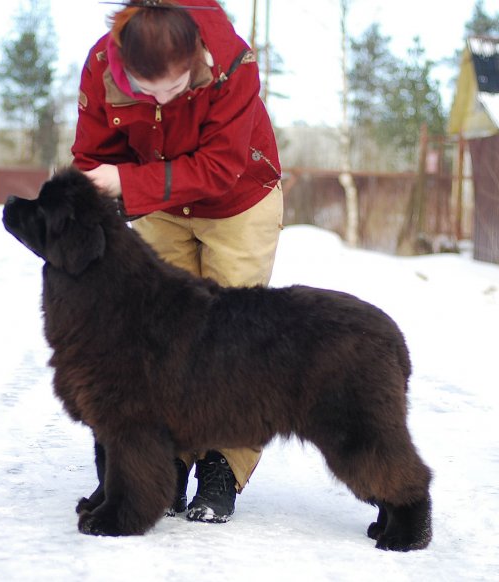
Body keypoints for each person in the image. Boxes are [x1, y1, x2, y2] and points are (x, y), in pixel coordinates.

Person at [71, 0, 283, 524]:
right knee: (162, 337)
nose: (164, 99)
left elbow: (220, 166)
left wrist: (128, 181)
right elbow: (92, 157)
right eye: (149, 90)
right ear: (125, 64)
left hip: (238, 200)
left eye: (177, 86)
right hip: (159, 206)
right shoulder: (101, 66)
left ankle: (221, 464)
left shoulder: (232, 62)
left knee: (232, 340)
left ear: (195, 58)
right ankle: (163, 462)